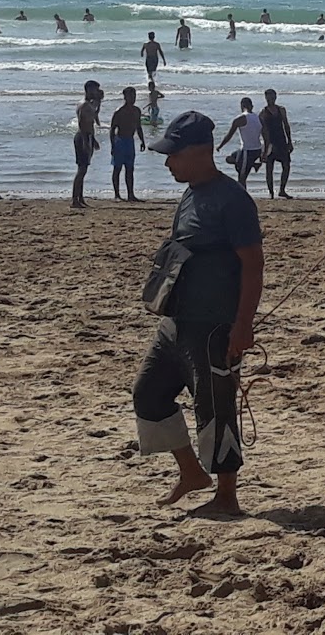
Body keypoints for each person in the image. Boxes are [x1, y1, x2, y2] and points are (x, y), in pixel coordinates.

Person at [132, 110, 264, 516]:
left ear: (199, 152)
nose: (168, 162)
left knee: (216, 410)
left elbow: (253, 265)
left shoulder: (234, 201)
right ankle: (191, 472)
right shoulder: (189, 193)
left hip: (214, 326)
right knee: (148, 396)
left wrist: (242, 326)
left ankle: (227, 496)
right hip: (176, 321)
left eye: (174, 155)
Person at [216, 98, 263, 189]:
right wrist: (263, 152)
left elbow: (229, 135)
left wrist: (220, 146)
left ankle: (243, 197)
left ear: (242, 106)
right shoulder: (258, 118)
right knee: (230, 158)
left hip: (247, 150)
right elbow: (266, 136)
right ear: (252, 106)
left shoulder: (240, 119)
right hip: (257, 149)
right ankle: (253, 164)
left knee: (242, 177)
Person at [71, 79, 104, 208]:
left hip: (89, 136)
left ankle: (80, 197)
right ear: (89, 90)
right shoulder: (83, 105)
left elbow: (94, 118)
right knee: (81, 169)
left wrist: (99, 102)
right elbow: (81, 123)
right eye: (95, 89)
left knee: (84, 169)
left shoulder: (89, 104)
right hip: (82, 137)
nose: (97, 92)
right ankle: (74, 199)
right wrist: (86, 141)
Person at [110, 86, 147, 201]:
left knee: (130, 169)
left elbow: (138, 127)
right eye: (130, 96)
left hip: (130, 141)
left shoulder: (137, 111)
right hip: (120, 141)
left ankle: (131, 194)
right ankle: (117, 195)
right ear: (125, 97)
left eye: (134, 95)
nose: (133, 98)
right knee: (117, 168)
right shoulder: (119, 111)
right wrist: (113, 145)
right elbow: (112, 129)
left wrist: (142, 141)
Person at [259, 89, 293, 199]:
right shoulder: (263, 113)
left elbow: (286, 126)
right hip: (270, 143)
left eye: (272, 98)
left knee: (286, 166)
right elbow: (262, 131)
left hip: (281, 141)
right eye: (268, 98)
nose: (271, 100)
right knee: (269, 168)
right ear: (265, 98)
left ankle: (282, 190)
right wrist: (264, 149)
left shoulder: (281, 110)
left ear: (276, 97)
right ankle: (271, 192)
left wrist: (290, 141)